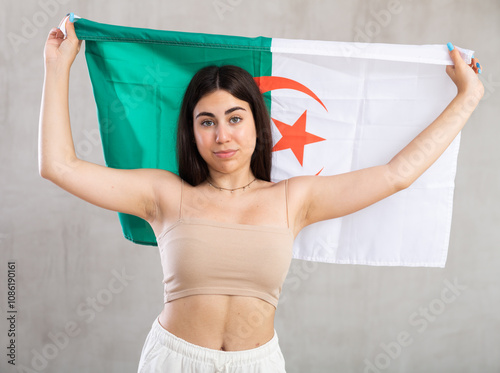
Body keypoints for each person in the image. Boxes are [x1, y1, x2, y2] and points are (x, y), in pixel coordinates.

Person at [39, 15, 483, 373]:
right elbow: (58, 166)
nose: (222, 135)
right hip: (174, 361)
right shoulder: (164, 194)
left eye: (235, 118)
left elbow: (396, 175)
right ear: (191, 133)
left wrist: (468, 96)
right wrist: (56, 69)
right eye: (207, 121)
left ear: (257, 125)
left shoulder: (294, 199)